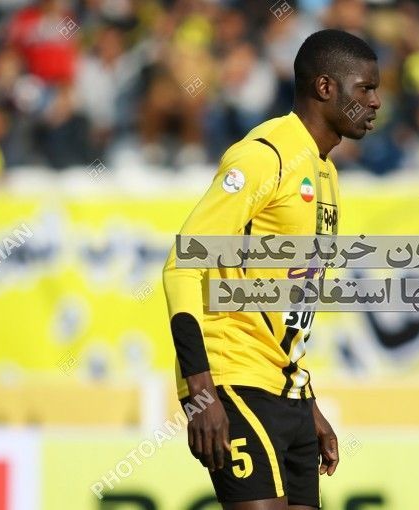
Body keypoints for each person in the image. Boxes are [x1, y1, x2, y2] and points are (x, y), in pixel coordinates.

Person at [162, 29, 380, 510]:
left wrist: (307, 397)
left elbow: (291, 296)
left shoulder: (326, 172)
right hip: (233, 378)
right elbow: (181, 266)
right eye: (365, 88)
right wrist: (201, 391)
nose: (376, 101)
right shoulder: (265, 155)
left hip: (285, 387)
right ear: (325, 87)